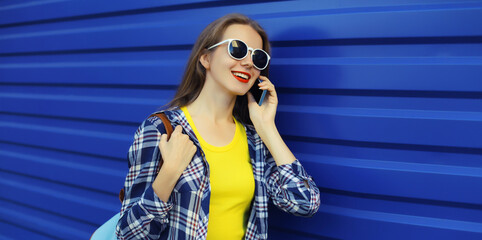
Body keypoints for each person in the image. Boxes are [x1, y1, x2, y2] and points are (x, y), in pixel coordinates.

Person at [116, 13, 320, 240]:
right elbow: (129, 234)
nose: (249, 63)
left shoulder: (254, 140)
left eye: (258, 57)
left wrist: (267, 129)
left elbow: (305, 203)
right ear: (205, 58)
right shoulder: (161, 130)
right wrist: (169, 173)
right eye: (237, 49)